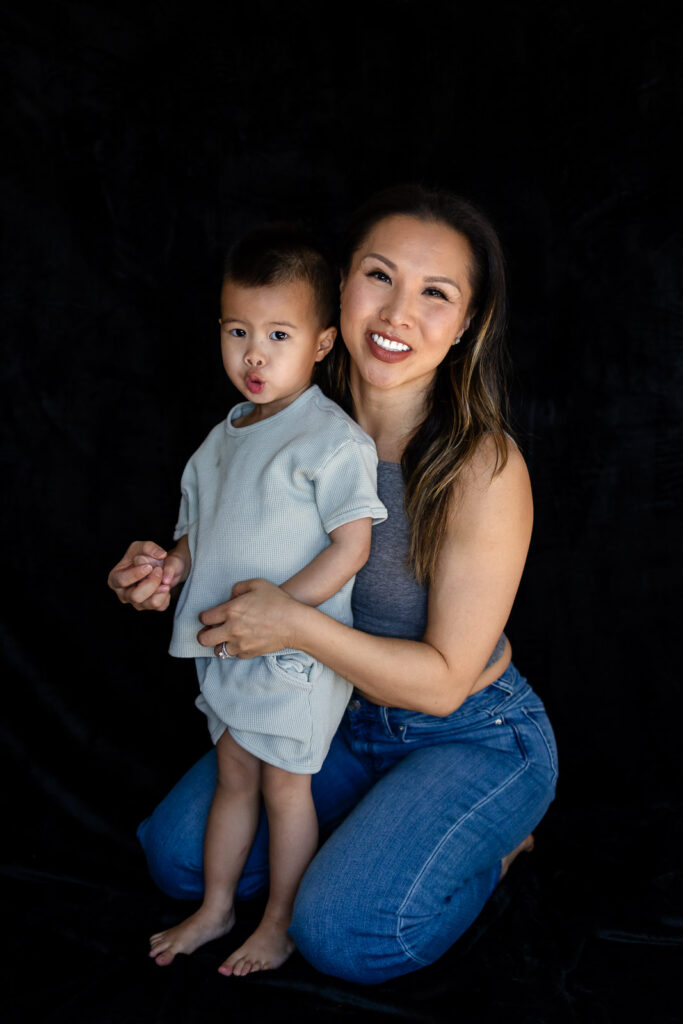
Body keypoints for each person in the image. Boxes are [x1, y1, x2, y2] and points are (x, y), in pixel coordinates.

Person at [110, 184, 559, 985]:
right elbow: (230, 526)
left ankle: (495, 848)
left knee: (344, 935)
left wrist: (292, 625)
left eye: (434, 293)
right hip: (328, 707)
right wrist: (165, 567)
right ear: (338, 288)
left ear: (464, 326)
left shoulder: (479, 466)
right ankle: (370, 830)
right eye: (378, 276)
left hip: (467, 731)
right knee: (177, 861)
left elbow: (444, 685)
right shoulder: (282, 412)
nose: (395, 313)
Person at [108, 225, 387, 976]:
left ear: (323, 344)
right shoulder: (224, 436)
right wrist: (167, 568)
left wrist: (284, 613)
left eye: (277, 334)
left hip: (294, 650)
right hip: (225, 645)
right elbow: (198, 530)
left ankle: (280, 922)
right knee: (234, 777)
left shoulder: (331, 440)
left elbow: (351, 546)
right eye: (238, 331)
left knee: (285, 792)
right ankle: (217, 906)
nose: (253, 354)